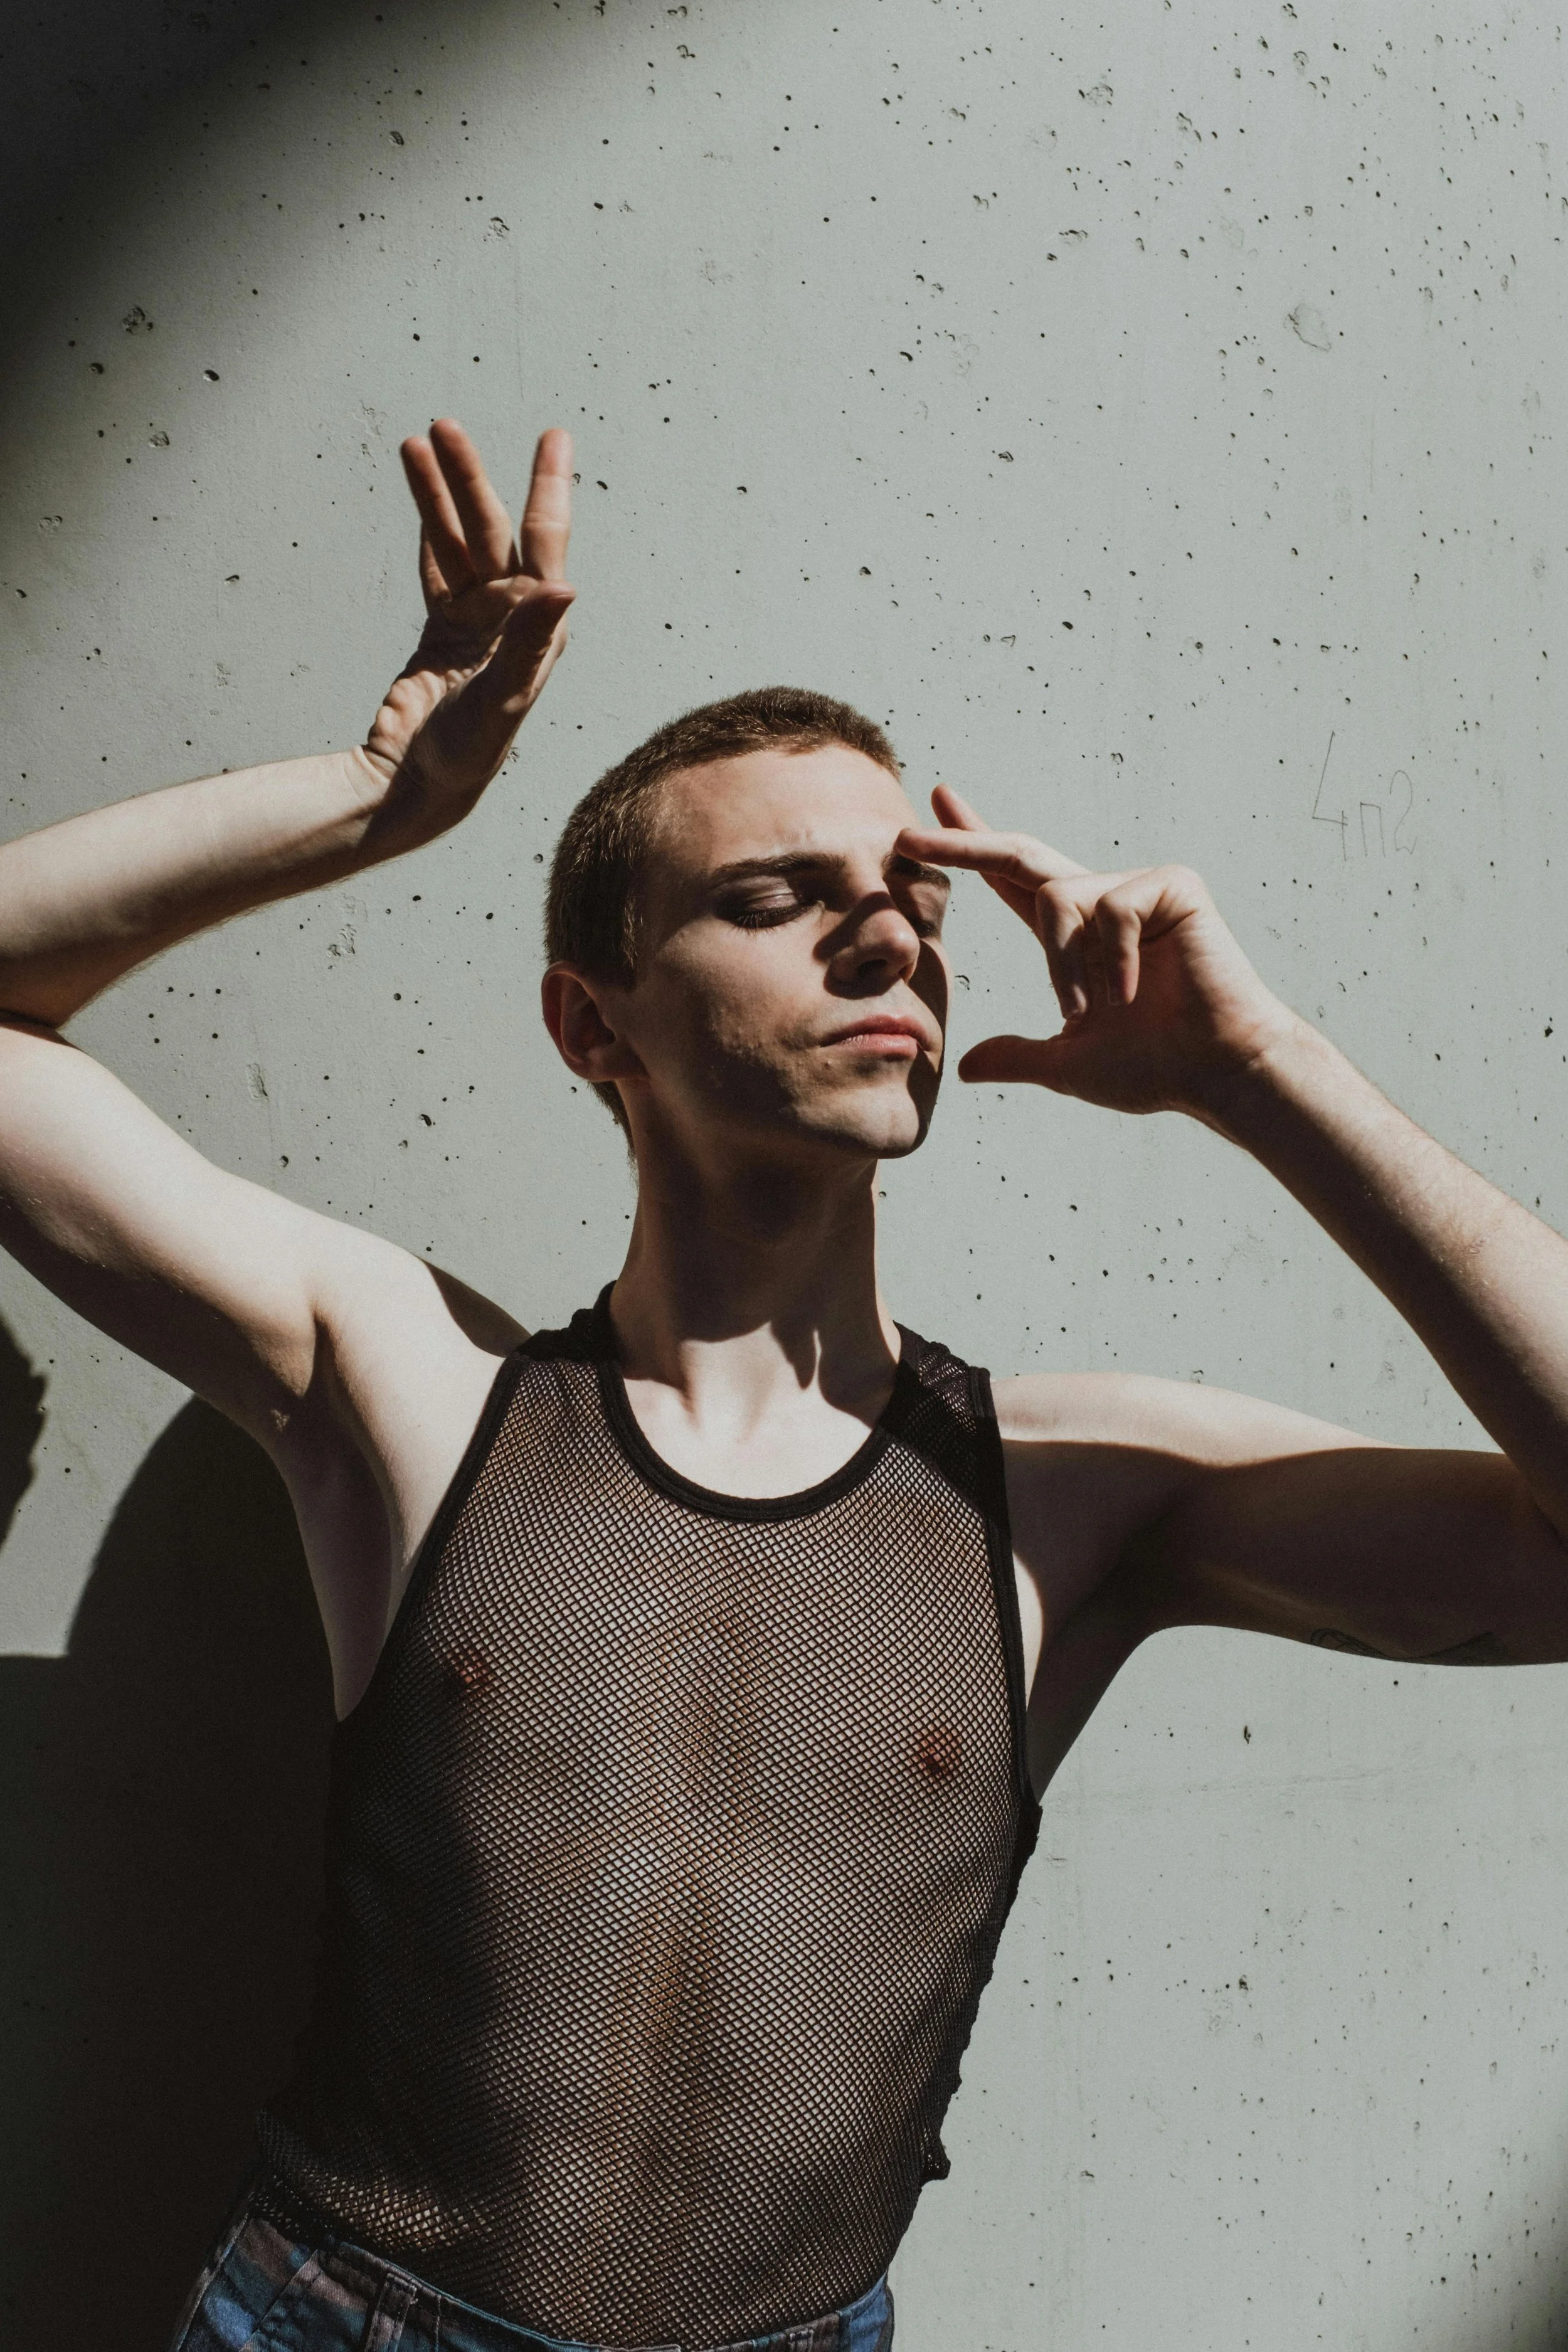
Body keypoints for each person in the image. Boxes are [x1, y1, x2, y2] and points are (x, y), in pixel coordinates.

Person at [2, 418, 1566, 2352]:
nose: (887, 928)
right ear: (598, 1024)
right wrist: (372, 801)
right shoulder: (421, 1393)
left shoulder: (1072, 1487)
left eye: (906, 897)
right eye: (773, 896)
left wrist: (1262, 1076)